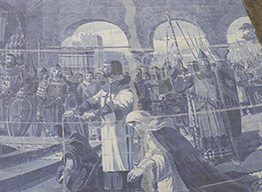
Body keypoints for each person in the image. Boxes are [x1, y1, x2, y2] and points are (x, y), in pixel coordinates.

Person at [65, 60, 136, 191]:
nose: (102, 69)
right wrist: (78, 109)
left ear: (114, 70)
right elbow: (95, 99)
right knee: (110, 161)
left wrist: (96, 114)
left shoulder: (124, 87)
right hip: (108, 129)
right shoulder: (108, 85)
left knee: (119, 160)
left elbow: (122, 103)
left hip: (120, 129)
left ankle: (122, 187)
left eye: (105, 67)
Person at [125, 111, 187, 192]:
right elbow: (151, 151)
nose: (135, 129)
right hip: (164, 176)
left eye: (134, 125)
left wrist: (142, 168)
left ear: (141, 121)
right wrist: (140, 167)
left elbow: (163, 155)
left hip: (172, 175)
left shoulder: (158, 129)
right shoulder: (149, 132)